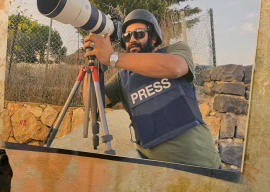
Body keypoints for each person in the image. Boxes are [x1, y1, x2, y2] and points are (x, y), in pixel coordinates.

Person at [83, 9, 222, 169]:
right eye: (127, 36)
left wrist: (112, 57)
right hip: (153, 174)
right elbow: (91, 103)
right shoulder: (123, 77)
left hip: (200, 166)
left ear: (154, 37)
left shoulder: (175, 50)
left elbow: (176, 67)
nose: (132, 40)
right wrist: (93, 65)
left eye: (139, 34)